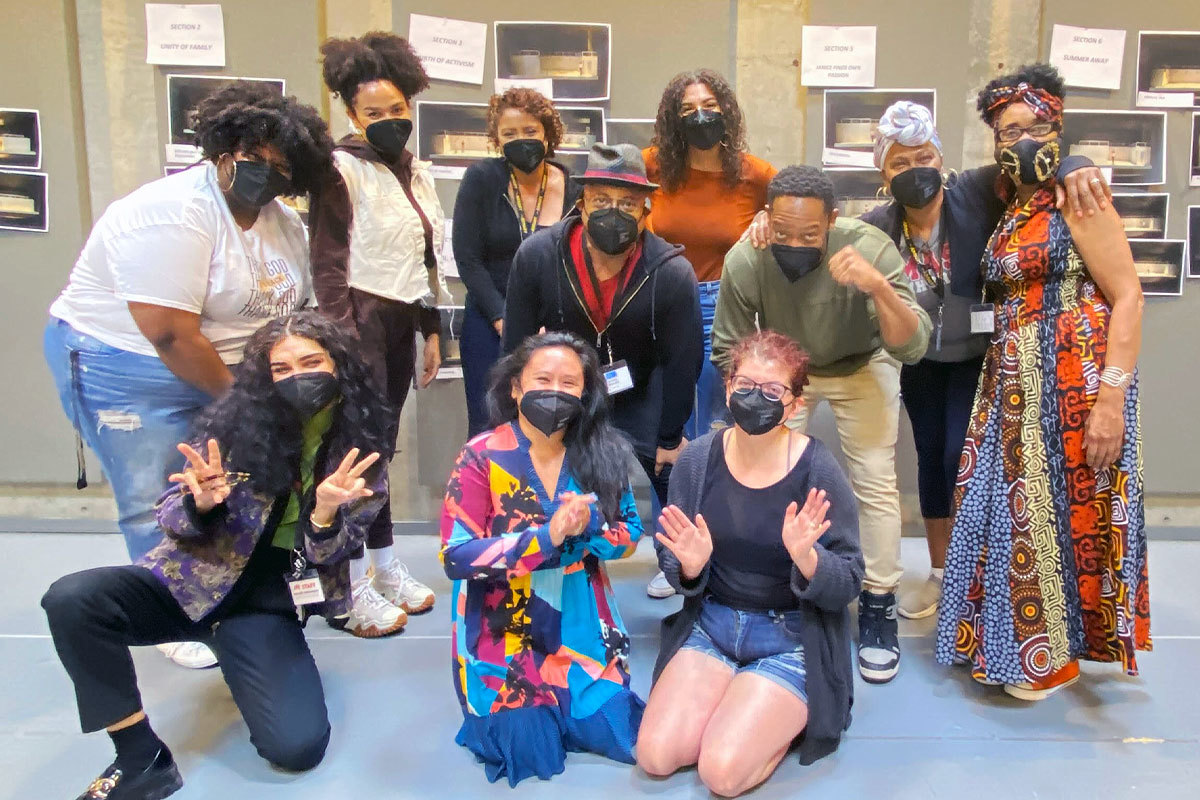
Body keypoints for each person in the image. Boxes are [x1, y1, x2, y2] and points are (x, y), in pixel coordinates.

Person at [41, 311, 394, 799]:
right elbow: (170, 515)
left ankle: (238, 652)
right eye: (281, 369)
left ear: (339, 367)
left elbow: (332, 553)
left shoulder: (364, 454)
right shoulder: (230, 427)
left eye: (311, 362)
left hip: (263, 604)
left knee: (297, 749)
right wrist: (199, 503)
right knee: (72, 598)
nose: (297, 377)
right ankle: (139, 755)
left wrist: (325, 513)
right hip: (187, 582)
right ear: (264, 378)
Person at [44, 81, 331, 669]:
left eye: (281, 167)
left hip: (222, 366)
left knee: (219, 485)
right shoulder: (172, 214)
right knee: (153, 488)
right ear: (221, 148)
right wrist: (246, 404)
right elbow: (171, 334)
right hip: (126, 366)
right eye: (253, 157)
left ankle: (220, 591)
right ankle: (167, 612)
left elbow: (293, 310)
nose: (264, 173)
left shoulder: (284, 223)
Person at [936, 64, 1148, 700]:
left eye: (1032, 127)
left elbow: (1129, 295)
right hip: (1013, 384)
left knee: (1063, 518)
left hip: (1074, 380)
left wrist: (1112, 396)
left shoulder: (1078, 196)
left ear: (1057, 126)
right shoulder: (1013, 202)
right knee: (1020, 516)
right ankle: (1022, 644)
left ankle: (1050, 657)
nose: (1019, 140)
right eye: (1006, 132)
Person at [858, 101, 1113, 620]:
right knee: (932, 457)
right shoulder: (876, 227)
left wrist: (1077, 162)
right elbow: (821, 235)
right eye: (899, 164)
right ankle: (938, 571)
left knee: (963, 455)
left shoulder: (975, 192)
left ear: (941, 157)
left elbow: (1032, 160)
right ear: (883, 174)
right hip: (921, 360)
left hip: (982, 356)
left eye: (923, 156)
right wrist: (765, 225)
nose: (915, 170)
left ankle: (977, 573)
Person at [710, 164, 929, 685]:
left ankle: (878, 600)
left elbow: (912, 345)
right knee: (768, 469)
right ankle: (780, 583)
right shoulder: (749, 256)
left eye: (809, 234)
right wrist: (762, 397)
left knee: (874, 477)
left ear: (832, 220)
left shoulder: (870, 247)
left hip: (862, 361)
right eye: (782, 230)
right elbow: (728, 348)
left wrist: (877, 288)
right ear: (765, 217)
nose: (793, 242)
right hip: (791, 369)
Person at [637, 330, 863, 796]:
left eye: (773, 390)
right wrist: (691, 567)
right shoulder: (697, 462)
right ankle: (742, 702)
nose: (755, 397)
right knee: (655, 757)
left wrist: (809, 560)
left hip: (790, 637)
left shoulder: (817, 470)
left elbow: (851, 577)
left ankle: (777, 714)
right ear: (726, 388)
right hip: (713, 626)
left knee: (720, 773)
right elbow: (671, 552)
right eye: (744, 384)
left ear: (795, 405)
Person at [439, 331, 645, 786]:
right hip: (503, 628)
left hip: (582, 625)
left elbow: (630, 533)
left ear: (586, 392)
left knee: (621, 733)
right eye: (543, 378)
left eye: (570, 383)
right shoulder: (480, 455)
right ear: (515, 387)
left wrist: (591, 533)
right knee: (531, 751)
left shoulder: (603, 452)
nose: (556, 391)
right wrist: (545, 537)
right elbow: (456, 557)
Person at [311, 31, 447, 636]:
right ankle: (345, 585)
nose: (390, 121)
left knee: (380, 449)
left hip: (401, 319)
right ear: (350, 114)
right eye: (374, 113)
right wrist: (339, 343)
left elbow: (424, 258)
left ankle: (385, 565)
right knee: (355, 453)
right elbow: (327, 262)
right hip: (359, 319)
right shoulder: (341, 169)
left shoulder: (415, 171)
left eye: (397, 109)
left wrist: (432, 330)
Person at [503, 143, 703, 526]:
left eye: (628, 203)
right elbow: (515, 347)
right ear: (581, 204)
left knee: (673, 471)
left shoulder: (672, 272)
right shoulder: (538, 256)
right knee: (542, 468)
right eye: (601, 200)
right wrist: (518, 421)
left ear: (646, 212)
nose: (614, 212)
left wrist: (669, 436)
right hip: (568, 384)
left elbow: (682, 362)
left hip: (642, 382)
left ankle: (678, 560)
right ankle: (547, 542)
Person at [640, 68, 777, 600]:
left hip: (727, 308)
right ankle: (671, 550)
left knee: (722, 433)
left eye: (710, 104)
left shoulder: (753, 173)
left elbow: (796, 210)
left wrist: (769, 215)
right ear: (674, 120)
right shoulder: (655, 168)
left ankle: (725, 546)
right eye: (688, 108)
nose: (701, 115)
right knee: (668, 434)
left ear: (728, 112)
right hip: (661, 304)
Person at [454, 88, 579, 437]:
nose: (520, 140)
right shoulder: (481, 180)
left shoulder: (573, 186)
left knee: (554, 423)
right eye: (509, 134)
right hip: (489, 320)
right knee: (490, 422)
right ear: (496, 138)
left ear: (547, 134)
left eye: (529, 132)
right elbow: (467, 258)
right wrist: (503, 318)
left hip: (554, 326)